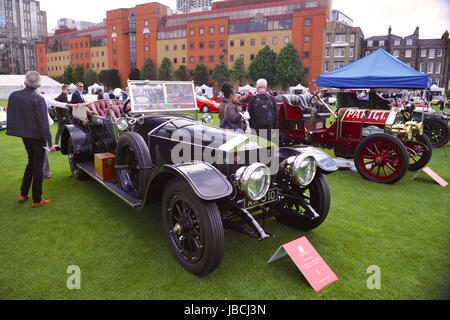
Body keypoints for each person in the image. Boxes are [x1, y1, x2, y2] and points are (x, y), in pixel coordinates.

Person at [6, 71, 55, 208]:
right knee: (37, 167)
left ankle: (23, 193)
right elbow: (44, 124)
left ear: (26, 82)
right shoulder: (37, 99)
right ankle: (37, 200)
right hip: (36, 136)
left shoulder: (14, 95)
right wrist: (50, 144)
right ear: (38, 84)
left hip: (25, 136)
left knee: (31, 162)